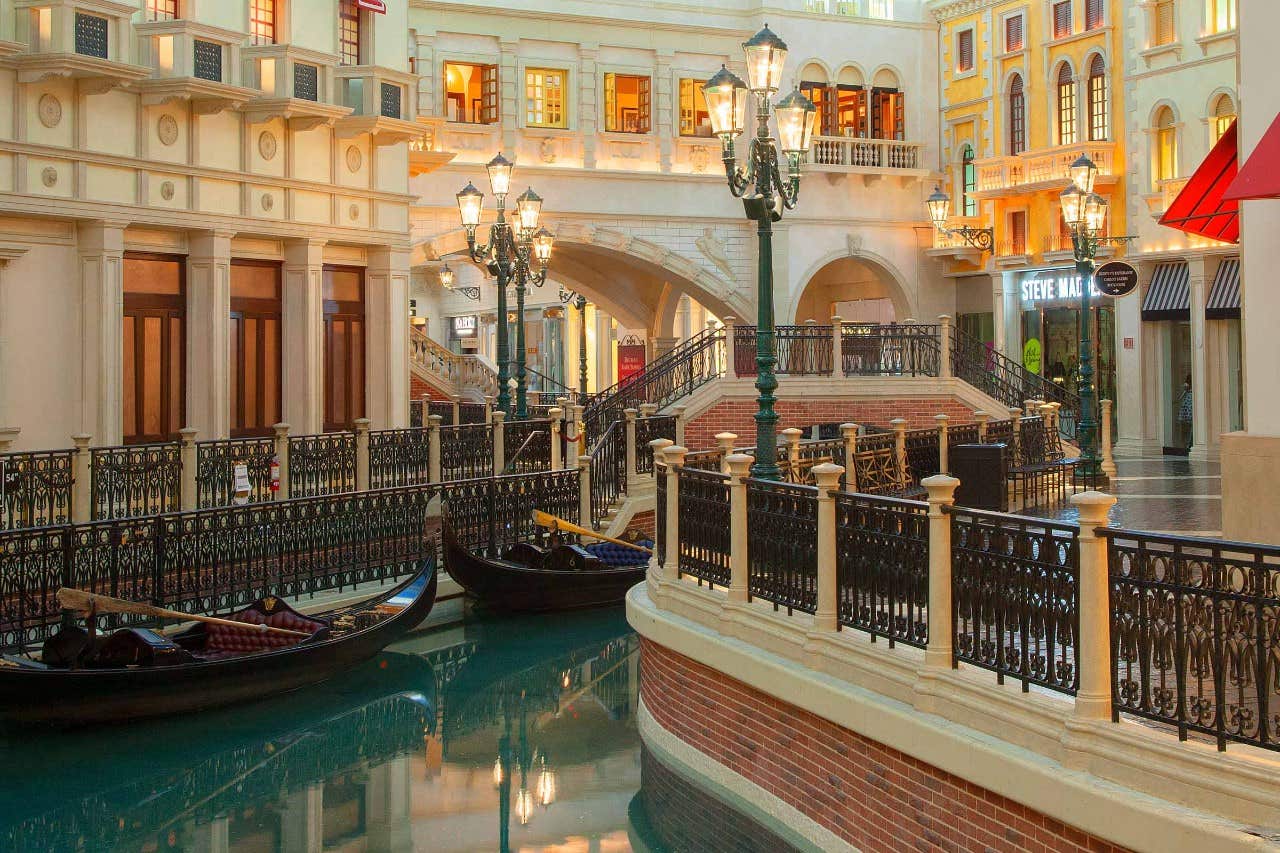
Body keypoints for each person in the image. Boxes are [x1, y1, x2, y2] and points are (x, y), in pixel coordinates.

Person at [1177, 375, 1193, 451]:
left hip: (1188, 402)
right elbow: (1183, 393)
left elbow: (1183, 393)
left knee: (1187, 425)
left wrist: (1179, 399)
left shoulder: (1187, 386)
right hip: (1190, 402)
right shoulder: (1188, 386)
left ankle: (1187, 443)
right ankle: (1188, 442)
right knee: (1188, 425)